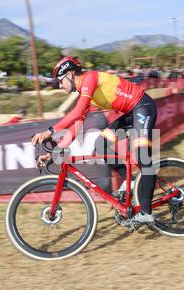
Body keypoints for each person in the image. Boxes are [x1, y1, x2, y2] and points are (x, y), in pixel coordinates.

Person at [31, 56, 157, 226]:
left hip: (143, 107)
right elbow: (77, 125)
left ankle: (147, 212)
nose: (60, 86)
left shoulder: (90, 79)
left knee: (142, 156)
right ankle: (131, 182)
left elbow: (76, 113)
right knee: (101, 145)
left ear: (69, 74)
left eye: (60, 81)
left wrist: (49, 131)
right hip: (132, 112)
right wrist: (54, 152)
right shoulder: (86, 93)